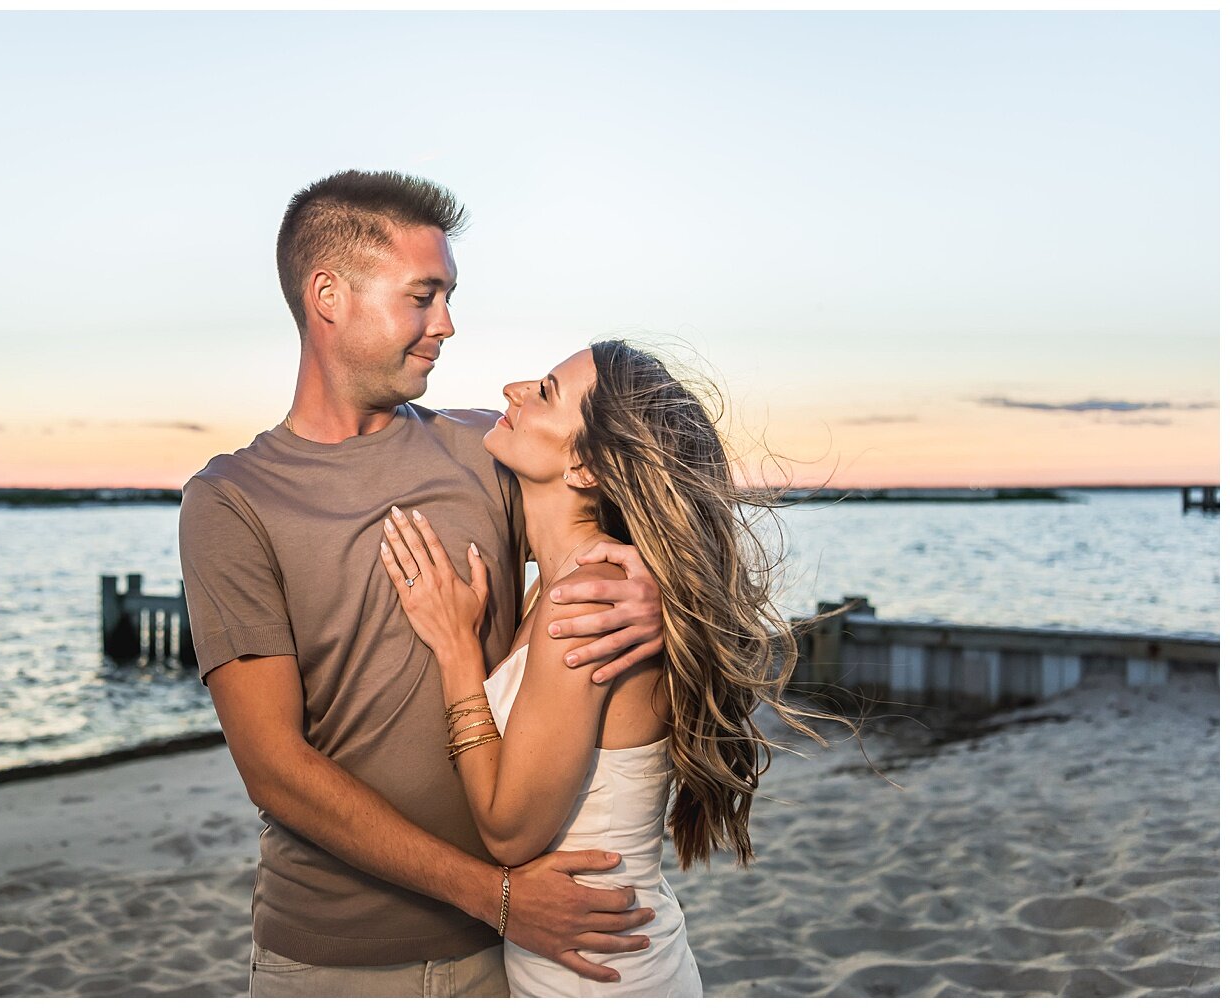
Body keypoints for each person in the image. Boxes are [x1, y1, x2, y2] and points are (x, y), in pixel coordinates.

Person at [178, 170, 668, 997]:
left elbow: (626, 492)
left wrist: (654, 593)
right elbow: (274, 768)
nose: (446, 324)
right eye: (423, 295)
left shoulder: (493, 449)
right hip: (334, 961)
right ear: (328, 296)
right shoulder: (232, 500)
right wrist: (498, 897)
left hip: (511, 957)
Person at [377, 340, 846, 996]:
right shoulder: (572, 585)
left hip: (601, 979)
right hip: (603, 960)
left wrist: (457, 651)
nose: (511, 389)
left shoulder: (587, 598)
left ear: (587, 466)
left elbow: (509, 832)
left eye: (544, 391)